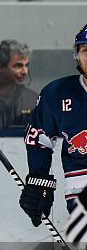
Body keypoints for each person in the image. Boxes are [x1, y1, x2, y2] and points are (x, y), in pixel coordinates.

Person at [20, 24, 87, 227]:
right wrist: (39, 181)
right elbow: (39, 140)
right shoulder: (56, 95)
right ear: (76, 56)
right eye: (86, 50)